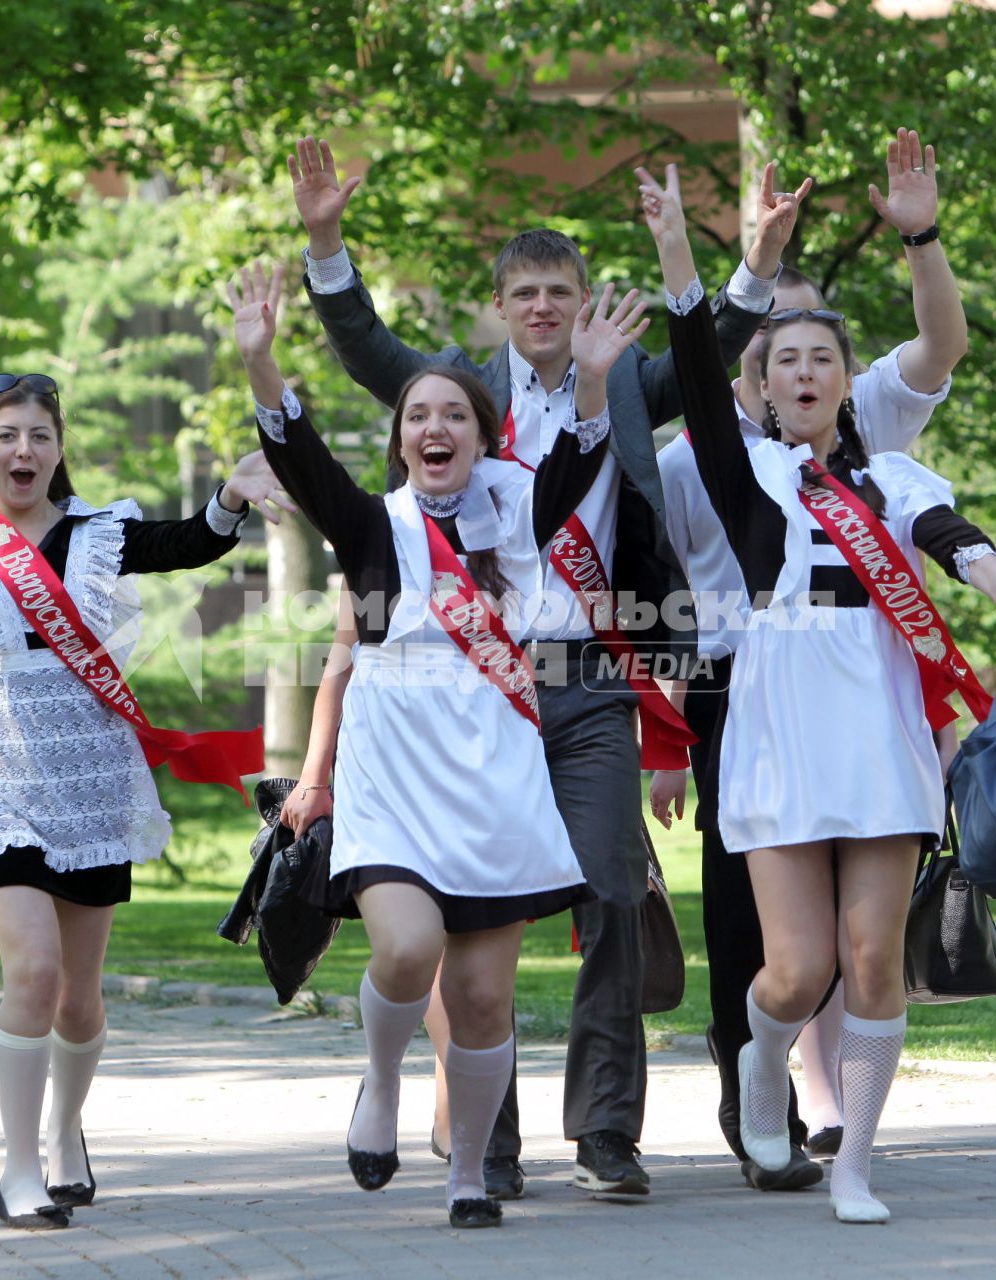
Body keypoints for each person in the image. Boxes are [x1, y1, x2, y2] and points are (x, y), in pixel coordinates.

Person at [285, 134, 796, 1202]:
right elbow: (361, 340)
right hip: (476, 696)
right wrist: (324, 238)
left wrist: (735, 254)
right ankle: (490, 1143)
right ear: (501, 304)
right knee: (479, 907)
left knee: (612, 893)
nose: (543, 307)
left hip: (589, 683)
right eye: (524, 291)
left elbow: (715, 351)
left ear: (579, 300)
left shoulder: (625, 382)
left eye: (560, 289)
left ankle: (607, 1129)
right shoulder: (458, 399)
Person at [639, 166, 996, 1223]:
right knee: (794, 967)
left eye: (823, 358)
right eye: (785, 361)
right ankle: (761, 1063)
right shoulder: (743, 474)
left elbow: (943, 535)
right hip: (775, 731)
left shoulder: (891, 475)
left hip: (876, 733)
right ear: (761, 387)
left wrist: (991, 571)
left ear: (846, 381)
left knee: (870, 959)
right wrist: (691, 250)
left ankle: (854, 1161)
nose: (804, 372)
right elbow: (690, 357)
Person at [0, 323, 287, 1230]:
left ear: (59, 448)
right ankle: (17, 1168)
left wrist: (230, 495)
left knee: (80, 996)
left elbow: (191, 542)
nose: (24, 449)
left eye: (39, 434)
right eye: (7, 435)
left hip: (90, 777)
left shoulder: (101, 534)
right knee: (31, 971)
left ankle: (68, 1131)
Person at [229, 257, 647, 1227]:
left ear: (482, 436)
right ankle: (380, 1076)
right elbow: (300, 455)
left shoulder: (520, 511)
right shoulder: (374, 525)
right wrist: (262, 362)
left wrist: (590, 382)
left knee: (484, 996)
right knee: (410, 949)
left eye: (453, 414)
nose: (433, 427)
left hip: (495, 779)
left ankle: (470, 1171)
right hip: (395, 778)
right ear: (401, 438)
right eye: (416, 415)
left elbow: (582, 464)